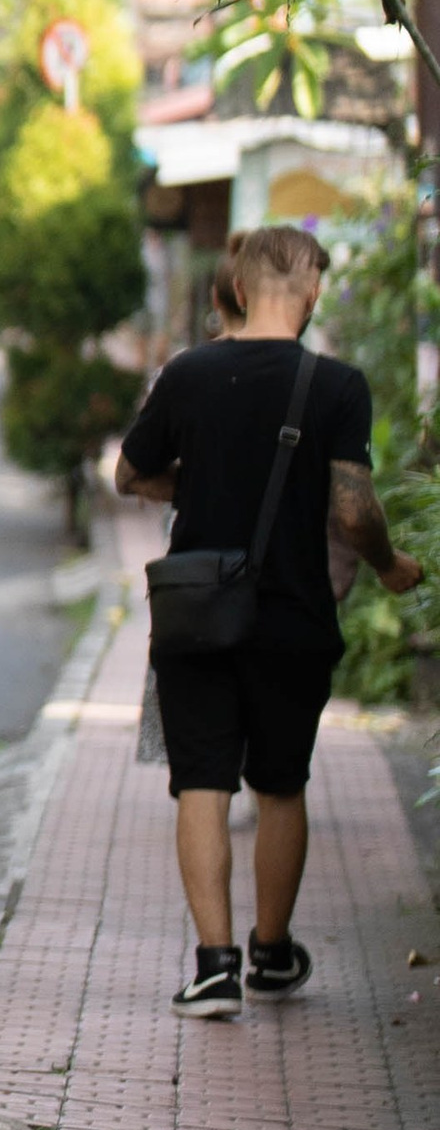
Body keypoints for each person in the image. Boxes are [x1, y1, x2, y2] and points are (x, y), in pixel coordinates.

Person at [116, 220, 422, 1011]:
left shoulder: (188, 374)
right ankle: (273, 954)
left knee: (203, 785)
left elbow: (130, 472)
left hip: (195, 612)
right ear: (313, 289)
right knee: (282, 784)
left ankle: (213, 966)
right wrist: (389, 566)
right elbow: (354, 511)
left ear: (239, 287)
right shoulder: (339, 386)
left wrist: (200, 486)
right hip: (294, 616)